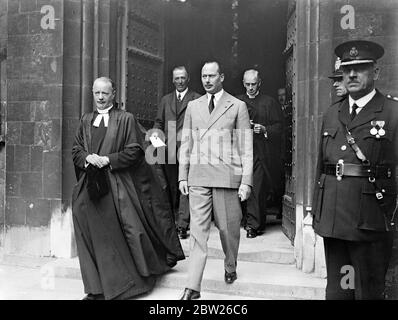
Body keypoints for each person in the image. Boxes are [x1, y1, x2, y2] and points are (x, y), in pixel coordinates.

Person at [72, 77, 185, 300]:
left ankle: (125, 285)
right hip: (90, 186)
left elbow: (135, 150)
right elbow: (76, 150)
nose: (101, 98)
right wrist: (88, 158)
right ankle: (95, 288)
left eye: (105, 93)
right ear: (92, 94)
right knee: (87, 231)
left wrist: (108, 159)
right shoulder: (86, 120)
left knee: (119, 233)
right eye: (97, 93)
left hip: (116, 185)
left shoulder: (126, 119)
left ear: (114, 93)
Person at [312, 40, 398, 300]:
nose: (351, 74)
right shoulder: (332, 113)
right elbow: (321, 166)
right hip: (334, 218)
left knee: (367, 293)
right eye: (347, 68)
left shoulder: (393, 112)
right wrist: (317, 212)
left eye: (360, 68)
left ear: (375, 72)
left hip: (370, 219)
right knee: (338, 293)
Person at [178, 61, 253, 300]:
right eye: (203, 76)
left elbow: (246, 147)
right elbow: (186, 143)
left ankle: (230, 265)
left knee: (228, 230)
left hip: (226, 177)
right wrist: (183, 175)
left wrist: (246, 181)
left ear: (221, 76)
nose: (207, 80)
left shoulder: (237, 105)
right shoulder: (193, 106)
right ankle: (192, 286)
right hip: (198, 176)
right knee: (198, 233)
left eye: (211, 76)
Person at [153, 66, 201, 239]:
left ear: (188, 79)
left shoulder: (197, 99)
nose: (180, 81)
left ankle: (182, 225)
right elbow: (158, 122)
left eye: (183, 78)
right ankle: (170, 221)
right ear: (172, 80)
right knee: (169, 185)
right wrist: (157, 141)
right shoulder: (166, 100)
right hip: (168, 149)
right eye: (177, 78)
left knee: (185, 185)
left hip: (188, 148)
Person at [238, 69, 285, 238]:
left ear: (259, 83)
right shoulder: (237, 101)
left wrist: (264, 129)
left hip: (260, 152)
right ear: (243, 83)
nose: (250, 88)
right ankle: (244, 220)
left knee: (256, 188)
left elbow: (279, 128)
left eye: (254, 84)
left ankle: (254, 225)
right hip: (240, 151)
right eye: (248, 84)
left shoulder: (269, 103)